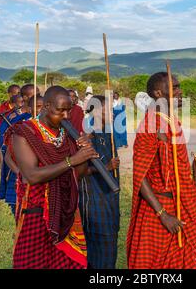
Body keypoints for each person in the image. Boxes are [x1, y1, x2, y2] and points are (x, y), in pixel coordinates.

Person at [10, 86, 99, 269]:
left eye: (68, 110)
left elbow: (79, 174)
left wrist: (83, 152)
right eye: (60, 111)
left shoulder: (66, 134)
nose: (66, 116)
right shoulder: (25, 132)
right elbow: (32, 176)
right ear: (46, 106)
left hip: (66, 214)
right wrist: (71, 160)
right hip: (36, 215)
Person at [127, 72, 196, 269]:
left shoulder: (171, 121)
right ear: (158, 92)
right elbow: (140, 176)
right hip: (159, 210)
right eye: (175, 88)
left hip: (180, 203)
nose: (180, 92)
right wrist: (163, 214)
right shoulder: (149, 125)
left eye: (179, 87)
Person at [79, 95, 120, 269]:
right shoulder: (87, 136)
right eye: (106, 109)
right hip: (94, 200)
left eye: (111, 109)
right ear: (95, 111)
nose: (110, 113)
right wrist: (106, 167)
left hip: (110, 198)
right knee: (99, 251)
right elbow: (79, 172)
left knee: (111, 246)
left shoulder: (108, 132)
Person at [0, 94, 29, 215]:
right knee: (18, 208)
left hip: (35, 172)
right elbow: (2, 146)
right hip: (15, 169)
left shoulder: (36, 119)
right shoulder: (11, 118)